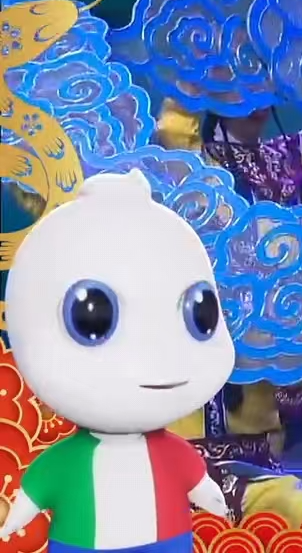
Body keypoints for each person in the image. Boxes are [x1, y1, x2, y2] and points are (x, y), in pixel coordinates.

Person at [1, 171, 235, 549]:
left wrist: (210, 496)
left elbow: (197, 481)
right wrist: (15, 518)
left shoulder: (172, 453)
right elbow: (35, 491)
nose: (158, 357)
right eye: (92, 319)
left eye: (201, 315)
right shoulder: (69, 459)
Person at [151, 99, 302, 526]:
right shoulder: (196, 163)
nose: (254, 101)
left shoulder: (290, 158)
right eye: (238, 87)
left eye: (262, 87)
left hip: (273, 328)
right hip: (207, 322)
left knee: (275, 445)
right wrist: (201, 72)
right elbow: (174, 128)